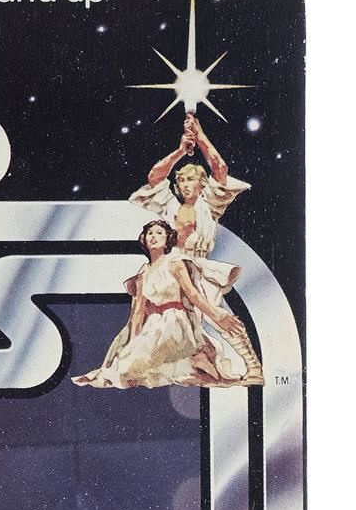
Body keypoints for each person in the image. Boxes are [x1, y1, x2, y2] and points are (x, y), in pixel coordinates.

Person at [129, 112, 263, 382]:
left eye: (191, 179)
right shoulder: (170, 206)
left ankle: (254, 368)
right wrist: (181, 150)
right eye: (182, 180)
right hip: (170, 267)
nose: (185, 184)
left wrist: (200, 136)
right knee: (163, 320)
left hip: (197, 268)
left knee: (217, 314)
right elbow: (155, 177)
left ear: (202, 184)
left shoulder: (208, 205)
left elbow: (220, 169)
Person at [74, 217, 251, 388]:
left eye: (159, 233)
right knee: (129, 366)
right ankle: (196, 364)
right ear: (144, 239)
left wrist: (216, 315)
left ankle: (198, 361)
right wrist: (132, 343)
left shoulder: (175, 263)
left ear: (168, 240)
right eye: (150, 233)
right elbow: (137, 312)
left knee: (142, 363)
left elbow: (193, 294)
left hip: (176, 322)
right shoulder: (143, 273)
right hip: (153, 325)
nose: (153, 236)